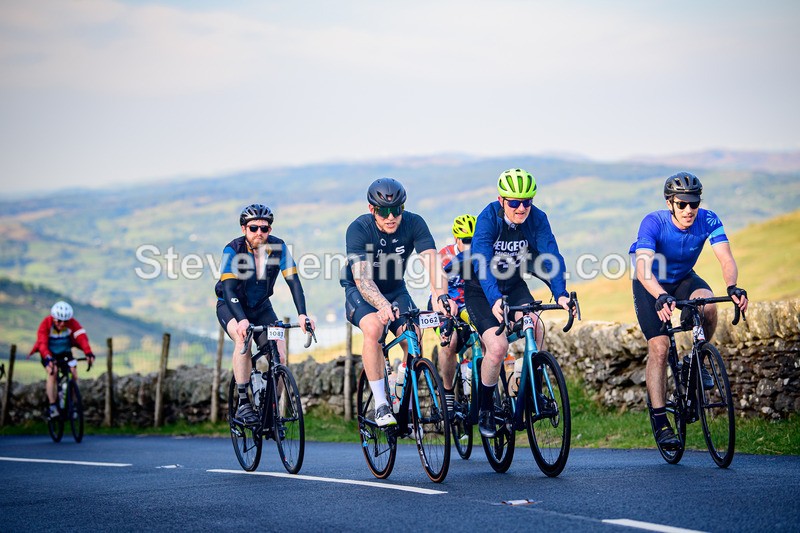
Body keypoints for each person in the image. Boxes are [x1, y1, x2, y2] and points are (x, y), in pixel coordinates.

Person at [630, 172, 748, 450]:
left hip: (683, 278)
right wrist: (660, 296)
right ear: (670, 203)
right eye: (682, 204)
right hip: (650, 284)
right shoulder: (653, 222)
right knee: (659, 348)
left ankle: (694, 361)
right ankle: (661, 422)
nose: (688, 210)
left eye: (693, 203)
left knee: (707, 305)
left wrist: (732, 287)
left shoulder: (708, 219)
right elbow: (643, 268)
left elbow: (726, 257)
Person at [465, 168, 574, 438]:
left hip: (513, 286)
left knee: (536, 327)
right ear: (502, 200)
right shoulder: (488, 218)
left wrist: (560, 293)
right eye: (514, 202)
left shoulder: (537, 219)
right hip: (481, 290)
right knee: (499, 346)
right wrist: (493, 301)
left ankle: (530, 392)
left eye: (527, 201)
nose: (521, 207)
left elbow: (550, 255)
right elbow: (481, 262)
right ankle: (487, 407)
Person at [342, 178, 455, 427]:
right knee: (374, 329)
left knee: (413, 334)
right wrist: (382, 305)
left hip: (396, 289)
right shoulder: (359, 229)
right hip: (361, 291)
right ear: (372, 209)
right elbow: (362, 279)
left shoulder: (415, 223)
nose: (391, 216)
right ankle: (381, 403)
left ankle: (405, 391)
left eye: (397, 210)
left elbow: (433, 264)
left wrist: (442, 296)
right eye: (384, 211)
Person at [215, 203, 315, 425]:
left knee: (279, 353)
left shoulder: (278, 248)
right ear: (244, 229)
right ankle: (243, 403)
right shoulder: (232, 249)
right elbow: (229, 289)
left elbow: (294, 282)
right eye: (253, 228)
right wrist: (241, 320)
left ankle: (271, 406)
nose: (259, 232)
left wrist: (302, 315)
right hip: (231, 306)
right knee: (243, 338)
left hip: (261, 307)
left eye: (264, 228)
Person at [430, 214, 477, 412]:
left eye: (473, 241)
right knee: (450, 342)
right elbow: (435, 290)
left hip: (468, 305)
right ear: (456, 239)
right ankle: (448, 393)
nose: (469, 245)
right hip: (443, 304)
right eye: (466, 241)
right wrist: (444, 311)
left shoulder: (481, 255)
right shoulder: (444, 256)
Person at [28, 301, 95, 418]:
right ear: (53, 318)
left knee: (73, 373)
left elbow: (81, 337)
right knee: (52, 373)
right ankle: (53, 406)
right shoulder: (46, 323)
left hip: (65, 353)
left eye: (65, 321)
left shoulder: (72, 323)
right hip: (49, 354)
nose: (62, 323)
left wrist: (88, 352)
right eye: (59, 320)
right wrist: (48, 357)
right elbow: (42, 343)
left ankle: (72, 405)